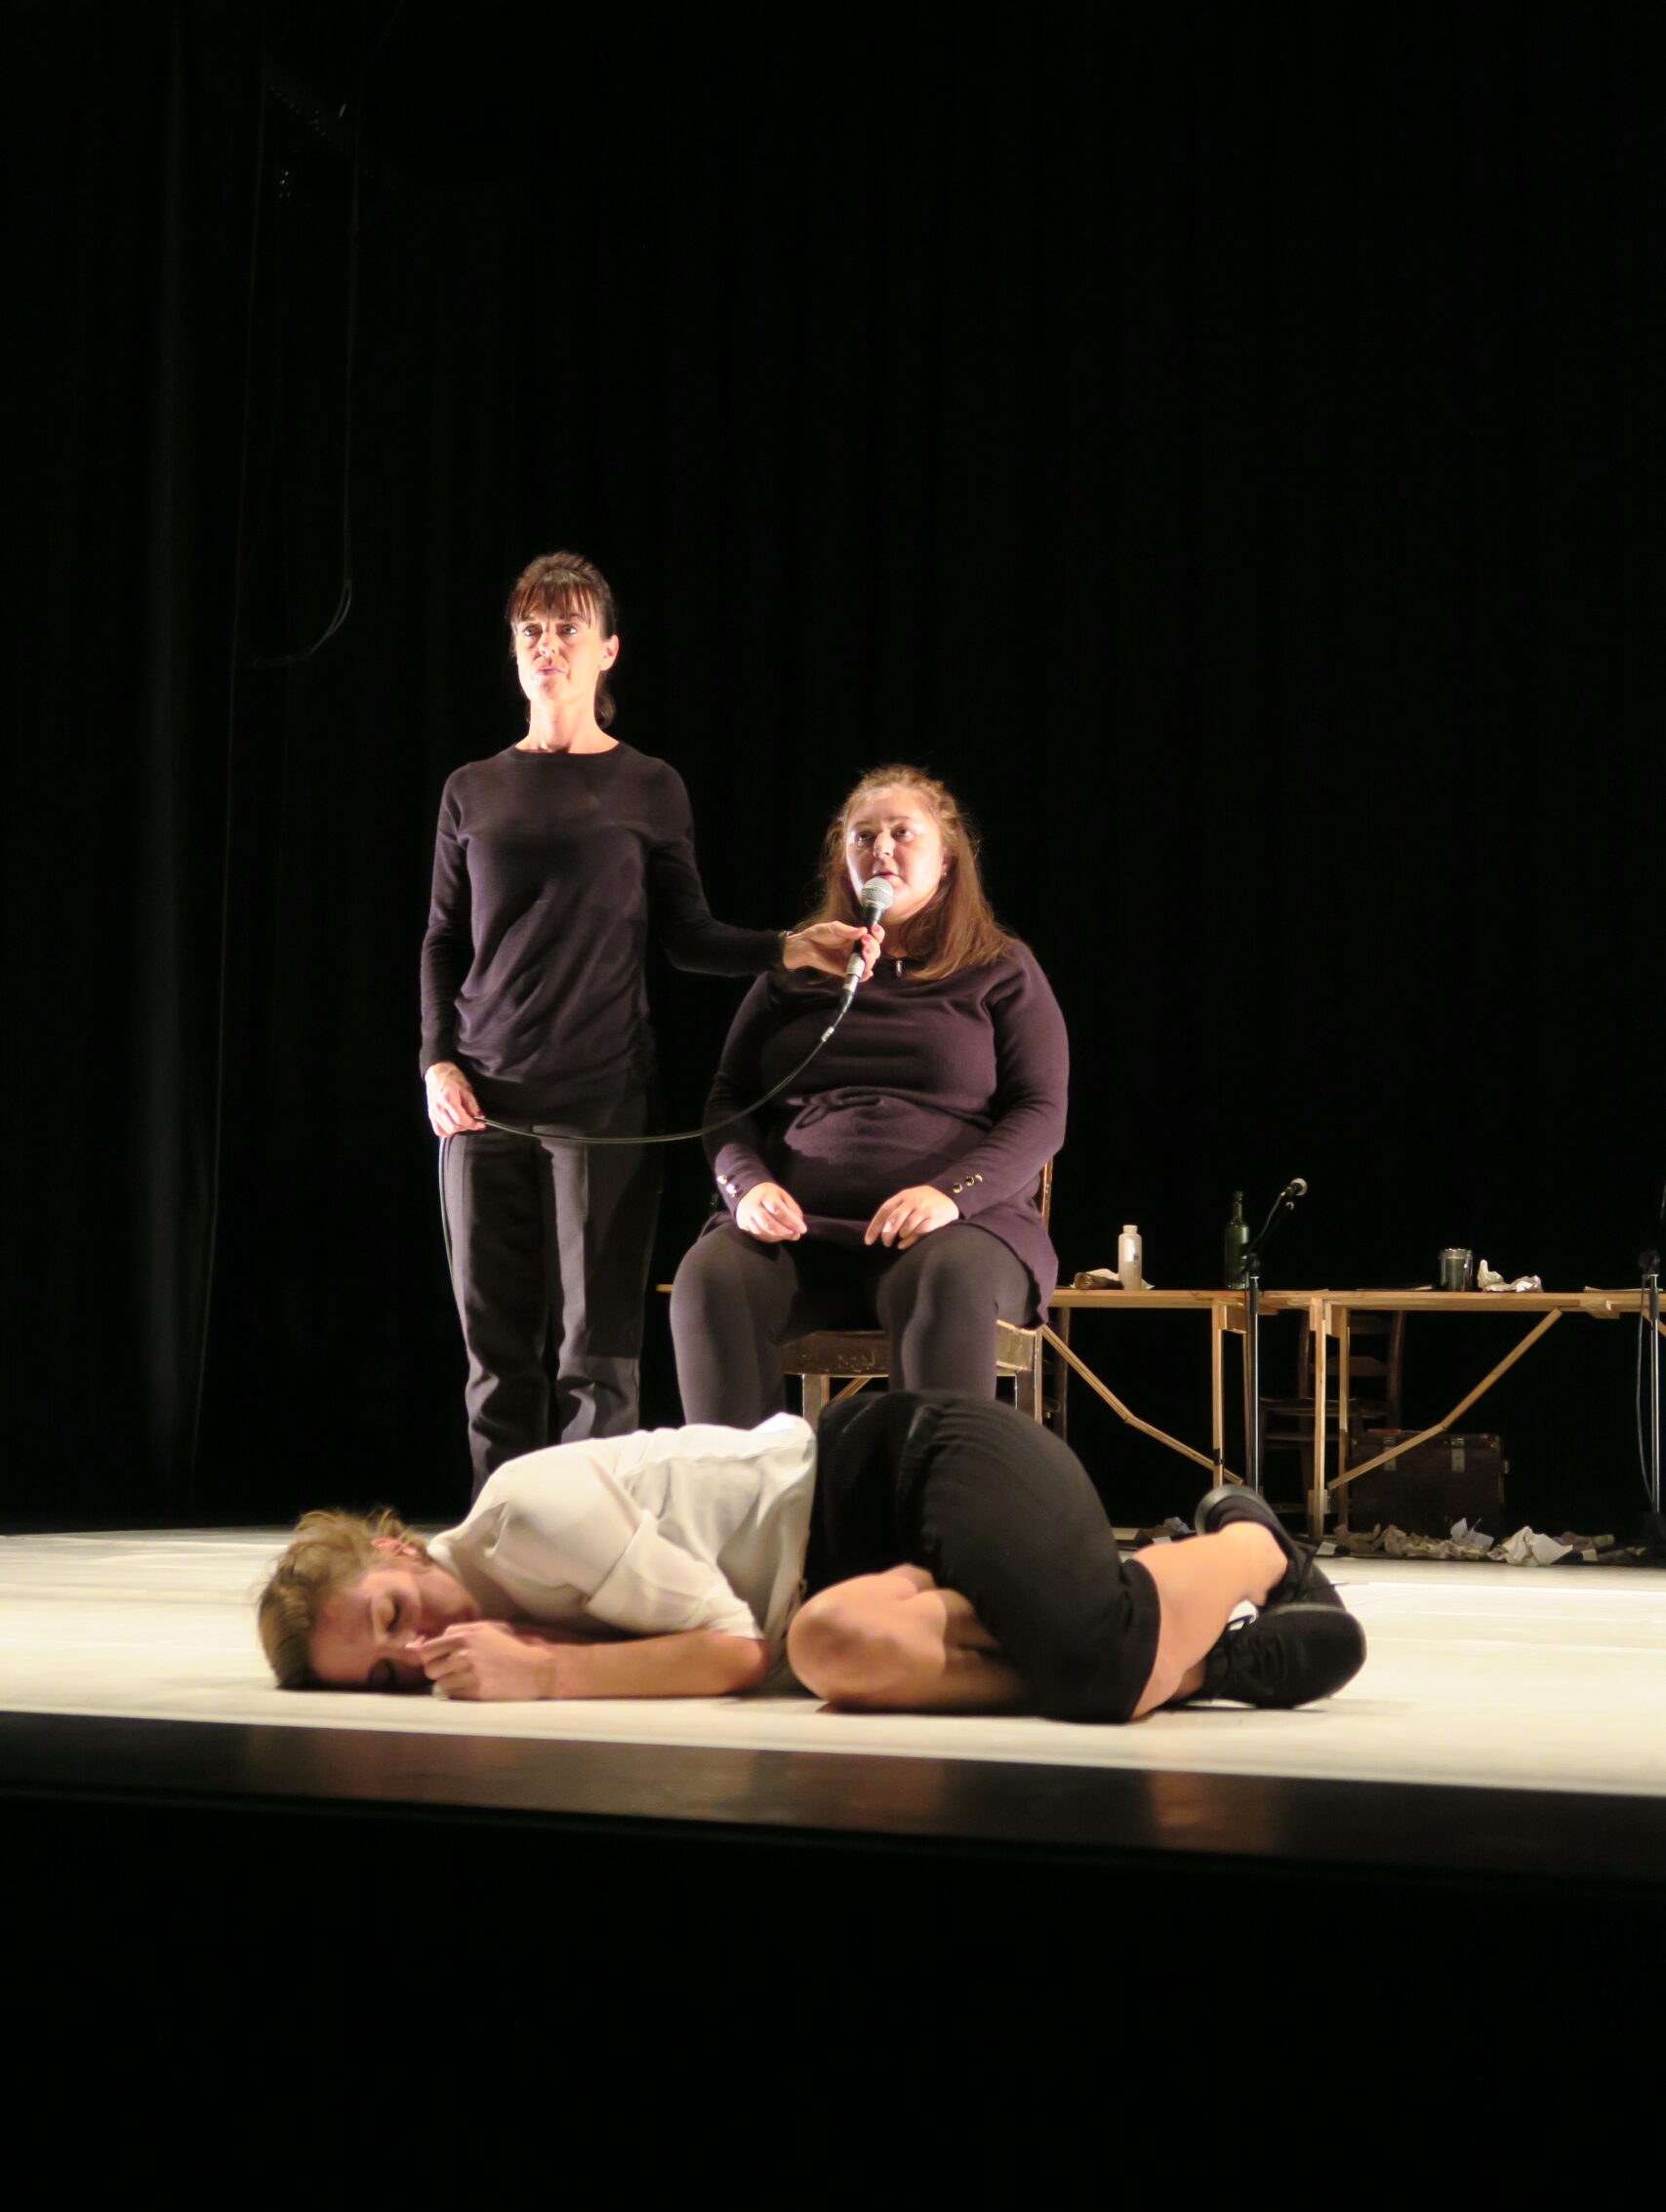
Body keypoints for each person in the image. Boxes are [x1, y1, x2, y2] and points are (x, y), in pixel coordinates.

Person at [421, 551, 876, 1491]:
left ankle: (589, 1558)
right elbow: (439, 940)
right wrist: (437, 1060)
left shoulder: (648, 787)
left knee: (597, 1352)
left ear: (608, 651)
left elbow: (686, 935)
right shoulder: (472, 789)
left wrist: (789, 948)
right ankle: (503, 1552)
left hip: (603, 1096)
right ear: (514, 653)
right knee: (496, 1351)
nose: (547, 648)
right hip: (482, 1103)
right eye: (531, 633)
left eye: (567, 631)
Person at [255, 1393, 1365, 1720]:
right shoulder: (499, 1610)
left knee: (1096, 1665)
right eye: (392, 1672)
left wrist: (544, 1674)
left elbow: (733, 1648)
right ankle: (1207, 1659)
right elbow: (780, 1644)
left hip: (913, 1464)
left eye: (395, 1614)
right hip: (845, 1579)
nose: (423, 1651)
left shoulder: (518, 1519)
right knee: (834, 1650)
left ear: (395, 1547)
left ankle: (1242, 1541)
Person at [670, 766, 1066, 1426]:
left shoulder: (1000, 969)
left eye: (901, 833)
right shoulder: (794, 971)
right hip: (802, 1233)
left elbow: (1041, 1110)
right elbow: (729, 1097)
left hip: (952, 1233)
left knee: (943, 1280)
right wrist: (746, 1187)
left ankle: (927, 1516)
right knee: (710, 1277)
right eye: (862, 836)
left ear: (945, 862)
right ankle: (741, 1513)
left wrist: (951, 1195)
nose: (880, 849)